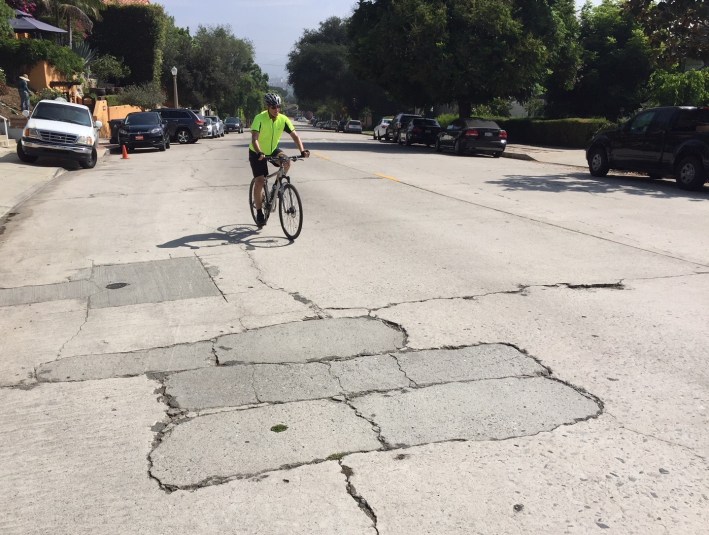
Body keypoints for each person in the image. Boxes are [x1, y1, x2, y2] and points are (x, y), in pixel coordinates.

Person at [249, 92, 309, 227]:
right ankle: (259, 212)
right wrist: (259, 152)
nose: (276, 110)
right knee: (260, 181)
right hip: (257, 152)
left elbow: (295, 135)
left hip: (272, 150)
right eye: (273, 107)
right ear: (268, 107)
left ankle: (276, 186)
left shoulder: (283, 119)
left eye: (278, 107)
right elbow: (254, 139)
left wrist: (302, 150)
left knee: (287, 162)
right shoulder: (259, 118)